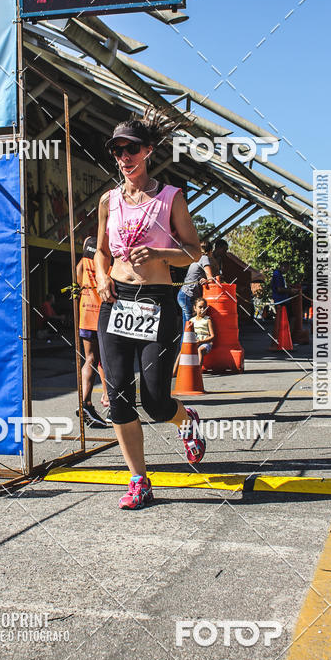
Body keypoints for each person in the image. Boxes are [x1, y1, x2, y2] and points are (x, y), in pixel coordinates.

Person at [95, 108, 204, 510]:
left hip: (158, 303)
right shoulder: (109, 201)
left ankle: (185, 419)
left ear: (148, 152)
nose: (124, 157)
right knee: (119, 396)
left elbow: (194, 251)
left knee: (156, 402)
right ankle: (139, 479)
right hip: (117, 301)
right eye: (117, 150)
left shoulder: (171, 197)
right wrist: (103, 277)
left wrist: (160, 250)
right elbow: (101, 252)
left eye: (131, 149)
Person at [76, 236, 109, 428]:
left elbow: (79, 277)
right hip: (103, 314)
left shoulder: (84, 253)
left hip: (86, 311)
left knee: (90, 358)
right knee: (107, 360)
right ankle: (112, 402)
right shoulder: (107, 254)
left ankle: (86, 403)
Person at [177, 239, 215, 330]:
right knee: (189, 326)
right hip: (188, 295)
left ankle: (185, 343)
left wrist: (203, 279)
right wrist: (209, 279)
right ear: (210, 251)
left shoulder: (197, 258)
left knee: (187, 325)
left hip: (184, 294)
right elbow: (211, 278)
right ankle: (185, 344)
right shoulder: (204, 258)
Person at [192, 297, 215, 367]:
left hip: (205, 343)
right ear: (195, 308)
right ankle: (174, 373)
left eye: (204, 307)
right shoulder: (191, 320)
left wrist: (201, 342)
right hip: (195, 342)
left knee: (200, 350)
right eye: (200, 307)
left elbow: (212, 336)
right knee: (182, 351)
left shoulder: (207, 320)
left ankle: (198, 371)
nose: (202, 309)